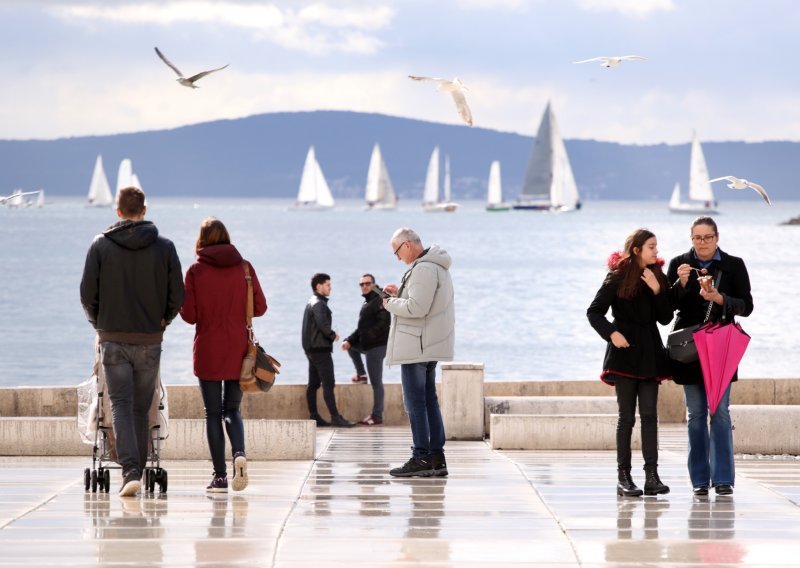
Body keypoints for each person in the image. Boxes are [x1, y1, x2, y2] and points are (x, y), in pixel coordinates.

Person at [80, 186, 184, 497]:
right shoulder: (165, 248)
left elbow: (87, 294)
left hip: (113, 337)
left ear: (118, 211)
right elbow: (177, 294)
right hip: (150, 338)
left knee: (120, 404)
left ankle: (131, 472)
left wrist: (98, 323)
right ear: (145, 210)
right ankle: (136, 468)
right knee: (142, 406)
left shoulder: (100, 246)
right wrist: (164, 319)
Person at [667, 216, 753, 497]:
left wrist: (719, 299)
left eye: (707, 237)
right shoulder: (679, 264)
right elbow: (666, 311)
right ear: (690, 238)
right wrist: (679, 284)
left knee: (720, 413)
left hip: (720, 346)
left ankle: (724, 479)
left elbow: (747, 307)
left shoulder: (734, 265)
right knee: (695, 415)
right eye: (697, 238)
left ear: (717, 237)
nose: (702, 243)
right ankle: (700, 481)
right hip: (690, 348)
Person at [180, 218, 266, 493]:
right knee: (232, 410)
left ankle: (219, 477)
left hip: (207, 350)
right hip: (239, 350)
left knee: (212, 414)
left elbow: (189, 316)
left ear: (201, 240)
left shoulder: (195, 270)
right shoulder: (245, 268)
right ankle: (239, 452)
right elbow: (261, 307)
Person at [587, 228, 673, 497]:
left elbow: (665, 318)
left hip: (650, 352)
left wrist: (658, 289)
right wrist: (612, 334)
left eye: (656, 246)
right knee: (626, 418)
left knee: (650, 415)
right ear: (637, 250)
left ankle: (652, 477)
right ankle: (623, 477)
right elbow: (594, 312)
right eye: (651, 246)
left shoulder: (657, 275)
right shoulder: (617, 276)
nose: (656, 251)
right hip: (624, 353)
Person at [383, 228, 454, 477]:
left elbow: (417, 308)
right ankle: (436, 457)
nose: (397, 257)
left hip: (417, 346)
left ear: (407, 245)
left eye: (396, 251)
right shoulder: (437, 266)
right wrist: (398, 294)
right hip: (427, 344)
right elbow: (422, 303)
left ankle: (421, 456)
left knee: (415, 404)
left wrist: (389, 303)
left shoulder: (423, 268)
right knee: (428, 401)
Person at [302, 273, 355, 428]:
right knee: (328, 383)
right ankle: (335, 417)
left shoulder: (312, 301)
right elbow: (322, 324)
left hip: (312, 348)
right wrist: (333, 335)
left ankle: (314, 416)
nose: (330, 287)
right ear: (318, 286)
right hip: (320, 349)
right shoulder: (318, 303)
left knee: (313, 384)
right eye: (327, 285)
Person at [342, 273, 390, 426]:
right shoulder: (368, 301)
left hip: (377, 347)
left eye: (367, 283)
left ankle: (377, 416)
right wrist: (350, 340)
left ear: (374, 285)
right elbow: (362, 328)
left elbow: (384, 323)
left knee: (376, 382)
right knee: (352, 348)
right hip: (369, 344)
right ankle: (362, 374)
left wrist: (368, 337)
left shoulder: (380, 298)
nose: (364, 286)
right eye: (361, 284)